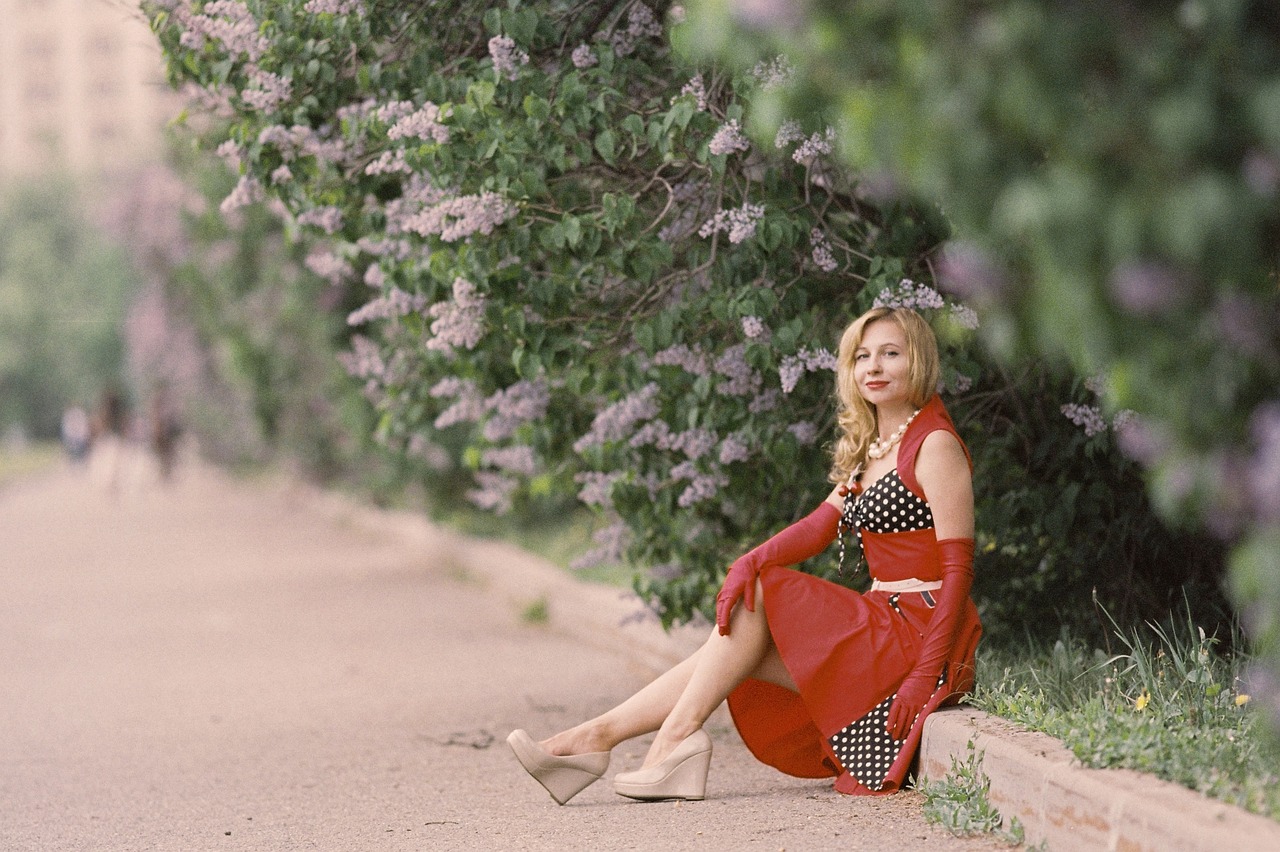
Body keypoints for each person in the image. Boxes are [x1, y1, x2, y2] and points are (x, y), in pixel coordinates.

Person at [507, 306, 981, 803]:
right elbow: (820, 528)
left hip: (923, 638)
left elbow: (958, 575)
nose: (874, 367)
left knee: (761, 597)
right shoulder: (874, 447)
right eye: (862, 357)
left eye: (891, 354)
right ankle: (598, 738)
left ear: (919, 360)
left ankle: (659, 741)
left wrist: (923, 677)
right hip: (885, 621)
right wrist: (748, 561)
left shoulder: (936, 445)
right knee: (738, 635)